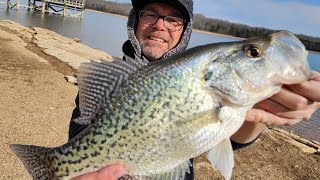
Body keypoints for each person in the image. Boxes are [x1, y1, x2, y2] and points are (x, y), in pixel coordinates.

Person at [69, 0, 320, 179]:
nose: (160, 25)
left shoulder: (213, 91)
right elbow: (80, 137)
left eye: (173, 19)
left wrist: (262, 111)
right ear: (135, 20)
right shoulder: (112, 83)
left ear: (185, 30)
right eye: (150, 14)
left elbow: (229, 139)